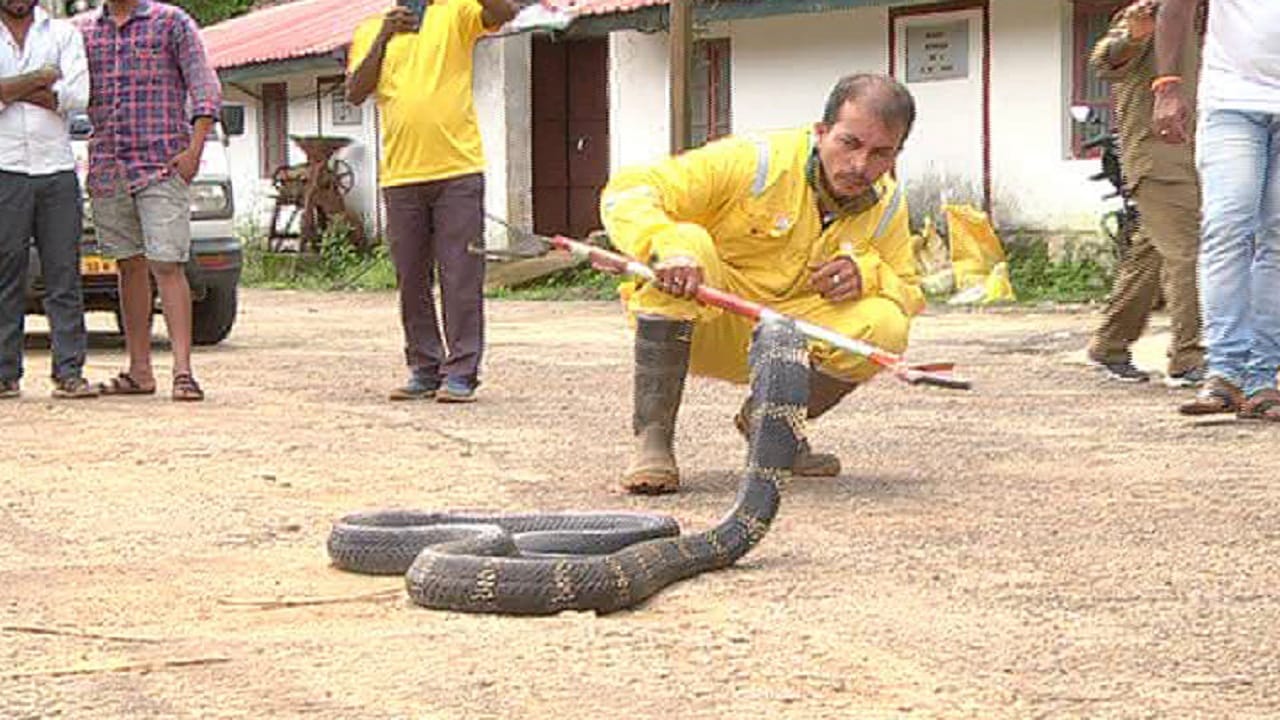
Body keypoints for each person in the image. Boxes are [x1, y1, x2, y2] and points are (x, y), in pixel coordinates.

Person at [602, 73, 924, 495]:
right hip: (708, 320)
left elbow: (910, 290)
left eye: (881, 153)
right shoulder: (755, 161)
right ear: (821, 132)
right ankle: (653, 442)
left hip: (788, 338)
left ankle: (771, 427)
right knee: (683, 245)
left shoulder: (888, 203)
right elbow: (630, 190)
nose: (861, 165)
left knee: (885, 324)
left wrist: (868, 274)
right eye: (849, 143)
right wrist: (666, 246)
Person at [346, 0, 517, 404]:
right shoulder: (371, 28)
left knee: (460, 276)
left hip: (457, 170)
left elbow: (505, 13)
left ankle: (461, 372)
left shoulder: (455, 12)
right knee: (411, 279)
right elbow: (355, 92)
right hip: (401, 175)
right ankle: (424, 368)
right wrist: (386, 36)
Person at [82, 0, 221, 402]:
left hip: (161, 163)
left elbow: (204, 87)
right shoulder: (85, 31)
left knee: (167, 263)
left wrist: (194, 151)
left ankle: (183, 370)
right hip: (109, 165)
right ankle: (139, 369)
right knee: (129, 265)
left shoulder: (171, 22)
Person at [1154, 0, 1280, 419]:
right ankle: (1225, 373)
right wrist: (1168, 86)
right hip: (1233, 102)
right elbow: (1175, 8)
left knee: (1277, 241)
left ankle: (1264, 378)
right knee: (1227, 228)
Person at [1086, 0, 1204, 387]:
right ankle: (1190, 356)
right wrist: (1135, 36)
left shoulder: (1222, 18)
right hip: (1158, 156)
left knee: (1152, 252)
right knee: (1187, 251)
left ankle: (1110, 344)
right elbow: (1104, 60)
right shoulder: (1153, 12)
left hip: (1204, 155)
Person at [0, 0, 94, 400]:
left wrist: (9, 90)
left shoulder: (63, 34)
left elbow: (77, 96)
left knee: (63, 275)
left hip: (56, 170)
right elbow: (57, 90)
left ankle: (69, 372)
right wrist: (40, 78)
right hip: (4, 168)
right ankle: (5, 374)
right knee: (6, 273)